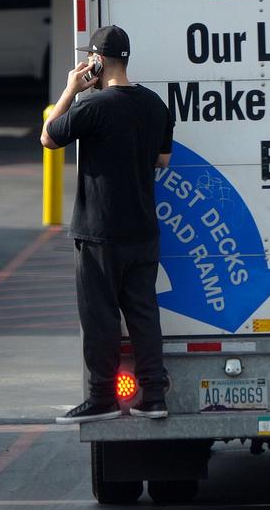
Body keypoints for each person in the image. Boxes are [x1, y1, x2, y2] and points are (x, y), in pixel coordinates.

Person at [41, 25, 174, 423]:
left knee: (100, 317)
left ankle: (101, 397)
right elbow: (163, 161)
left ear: (97, 61)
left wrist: (71, 89)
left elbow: (48, 138)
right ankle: (154, 396)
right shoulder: (156, 105)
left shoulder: (92, 107)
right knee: (144, 313)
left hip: (100, 232)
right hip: (143, 231)